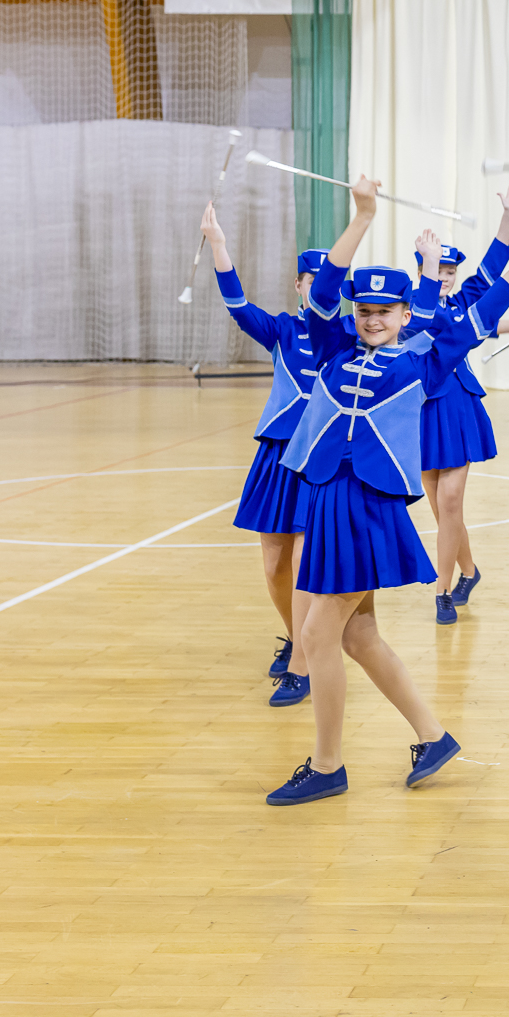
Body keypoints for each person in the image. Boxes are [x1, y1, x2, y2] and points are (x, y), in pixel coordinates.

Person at [265, 176, 509, 806]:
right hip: (329, 503)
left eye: (385, 311)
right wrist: (361, 219)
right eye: (365, 311)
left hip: (366, 510)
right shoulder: (332, 347)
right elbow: (327, 290)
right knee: (356, 637)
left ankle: (328, 765)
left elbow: (486, 309)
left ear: (406, 315)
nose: (373, 319)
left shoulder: (421, 362)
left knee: (315, 637)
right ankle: (432, 737)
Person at [405, 191, 509, 625]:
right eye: (439, 269)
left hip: (457, 409)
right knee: (440, 508)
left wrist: (508, 217)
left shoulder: (461, 301)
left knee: (450, 504)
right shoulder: (413, 308)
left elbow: (493, 274)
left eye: (452, 270)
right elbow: (428, 319)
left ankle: (443, 590)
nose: (448, 277)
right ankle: (469, 571)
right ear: (424, 270)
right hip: (421, 411)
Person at [202, 203, 322, 707]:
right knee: (274, 561)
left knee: (301, 555)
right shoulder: (281, 330)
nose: (319, 290)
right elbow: (237, 305)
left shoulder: (345, 337)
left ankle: (303, 665)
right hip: (276, 455)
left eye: (329, 283)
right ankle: (297, 635)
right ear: (298, 286)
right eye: (310, 282)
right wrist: (218, 245)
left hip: (317, 457)